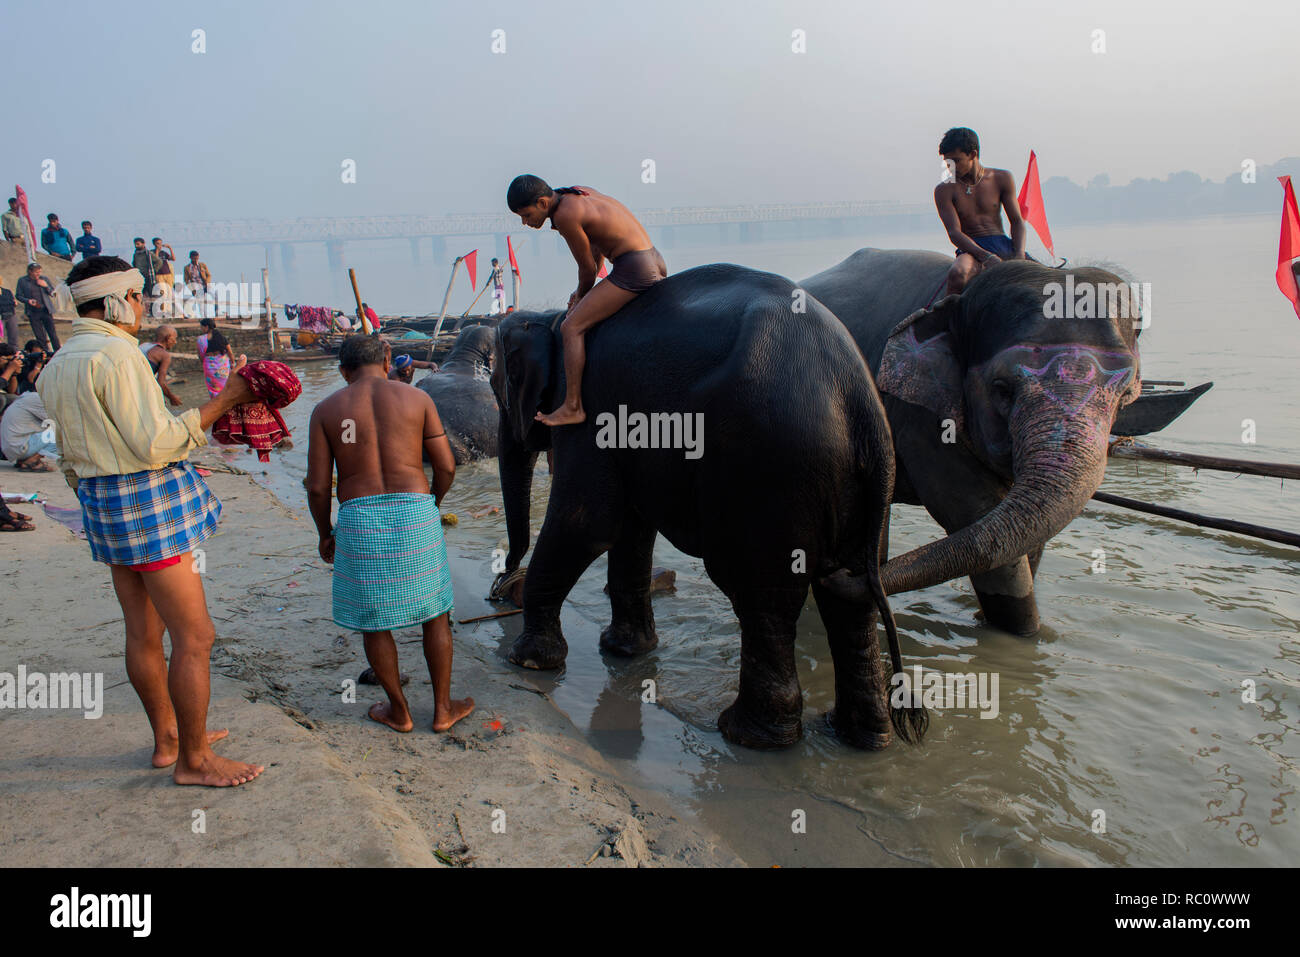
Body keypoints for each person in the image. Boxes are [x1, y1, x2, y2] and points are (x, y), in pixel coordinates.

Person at [38, 255, 264, 787]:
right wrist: (227, 397)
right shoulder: (118, 356)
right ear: (118, 301)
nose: (141, 306)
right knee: (195, 636)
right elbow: (156, 442)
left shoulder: (59, 361)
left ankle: (170, 741)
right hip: (143, 502)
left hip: (99, 499)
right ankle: (194, 761)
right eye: (137, 297)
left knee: (142, 630)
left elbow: (67, 455)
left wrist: (97, 491)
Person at [306, 335, 473, 735]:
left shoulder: (327, 410)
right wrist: (431, 503)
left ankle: (399, 711)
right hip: (415, 510)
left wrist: (325, 533)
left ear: (343, 371)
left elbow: (316, 487)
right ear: (386, 361)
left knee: (373, 620)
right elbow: (446, 465)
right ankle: (443, 710)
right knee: (435, 615)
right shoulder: (416, 400)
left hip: (359, 518)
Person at [506, 175, 668, 426]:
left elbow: (588, 271)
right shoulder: (578, 193)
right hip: (654, 258)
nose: (526, 223)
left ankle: (573, 406)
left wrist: (580, 297)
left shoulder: (564, 216)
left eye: (526, 215)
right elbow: (597, 244)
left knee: (571, 327)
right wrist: (583, 293)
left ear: (542, 203)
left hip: (635, 268)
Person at [934, 127, 1031, 296]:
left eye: (956, 161)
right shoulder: (945, 190)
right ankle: (948, 319)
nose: (951, 168)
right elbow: (954, 233)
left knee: (1048, 279)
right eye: (947, 162)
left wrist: (1019, 254)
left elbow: (1017, 221)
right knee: (957, 274)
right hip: (971, 249)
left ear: (972, 154)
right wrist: (986, 257)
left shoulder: (1002, 178)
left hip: (1003, 244)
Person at [1, 389, 57, 471]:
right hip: (19, 448)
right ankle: (32, 460)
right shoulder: (37, 399)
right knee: (62, 433)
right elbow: (56, 421)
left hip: (12, 449)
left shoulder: (27, 398)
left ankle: (24, 460)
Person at [15, 263, 61, 352]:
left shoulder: (44, 279)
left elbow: (53, 293)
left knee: (52, 333)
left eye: (39, 272)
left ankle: (58, 352)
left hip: (46, 310)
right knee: (40, 336)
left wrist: (46, 286)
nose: (38, 274)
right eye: (36, 272)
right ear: (30, 272)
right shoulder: (22, 281)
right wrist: (28, 301)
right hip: (33, 312)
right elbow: (18, 295)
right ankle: (45, 353)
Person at [196, 318, 245, 398]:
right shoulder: (221, 337)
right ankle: (226, 402)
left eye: (202, 327)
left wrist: (206, 364)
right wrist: (233, 363)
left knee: (213, 388)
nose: (201, 329)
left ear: (206, 327)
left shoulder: (201, 339)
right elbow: (230, 352)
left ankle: (216, 404)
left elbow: (201, 356)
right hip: (223, 366)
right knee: (225, 386)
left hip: (209, 367)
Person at [140, 325, 183, 407]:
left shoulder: (143, 345)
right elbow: (161, 382)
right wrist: (172, 398)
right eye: (174, 338)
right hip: (142, 390)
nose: (175, 342)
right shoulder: (164, 355)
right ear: (168, 338)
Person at [152, 238, 175, 317]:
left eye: (161, 243)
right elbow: (156, 259)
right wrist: (157, 250)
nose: (160, 245)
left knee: (169, 293)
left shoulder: (164, 253)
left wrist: (170, 248)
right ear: (154, 244)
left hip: (168, 274)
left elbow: (173, 259)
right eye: (158, 243)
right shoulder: (151, 252)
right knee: (163, 293)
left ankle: (168, 310)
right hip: (159, 275)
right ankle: (163, 311)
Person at [0, 276, 16, 348]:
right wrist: (10, 303)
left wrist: (11, 303)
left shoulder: (7, 291)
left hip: (11, 315)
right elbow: (11, 302)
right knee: (1, 337)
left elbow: (13, 303)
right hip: (0, 317)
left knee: (13, 336)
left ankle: (14, 353)